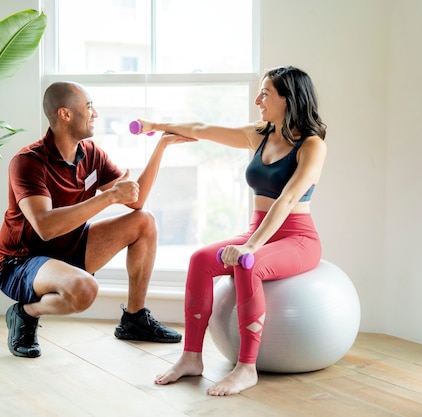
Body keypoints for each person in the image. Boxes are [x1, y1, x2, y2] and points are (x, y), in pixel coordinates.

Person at [138, 66, 327, 395]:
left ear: (288, 98)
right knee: (200, 259)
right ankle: (191, 358)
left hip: (298, 239)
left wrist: (250, 248)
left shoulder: (312, 146)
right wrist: (158, 126)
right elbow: (202, 128)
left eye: (266, 93)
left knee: (245, 264)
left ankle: (246, 368)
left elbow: (287, 199)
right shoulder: (260, 133)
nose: (258, 100)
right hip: (259, 231)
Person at [0, 81, 196, 358]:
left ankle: (134, 320)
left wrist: (161, 146)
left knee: (144, 221)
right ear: (65, 114)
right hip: (21, 262)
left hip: (70, 249)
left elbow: (135, 200)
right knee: (85, 290)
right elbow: (46, 227)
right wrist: (108, 198)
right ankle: (24, 313)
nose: (95, 113)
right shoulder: (28, 162)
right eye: (89, 107)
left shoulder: (90, 153)